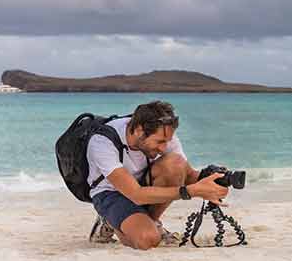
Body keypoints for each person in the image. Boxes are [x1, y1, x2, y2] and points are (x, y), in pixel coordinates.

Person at [86, 100, 228, 249]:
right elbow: (136, 195)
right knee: (147, 240)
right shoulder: (102, 141)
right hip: (111, 192)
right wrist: (192, 191)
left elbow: (188, 174)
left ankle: (149, 221)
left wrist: (213, 180)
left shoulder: (163, 133)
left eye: (167, 141)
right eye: (159, 142)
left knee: (176, 164)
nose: (164, 148)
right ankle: (109, 220)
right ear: (139, 131)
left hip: (141, 184)